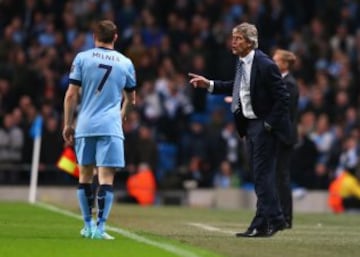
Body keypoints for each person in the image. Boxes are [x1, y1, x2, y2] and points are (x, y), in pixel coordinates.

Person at [189, 22, 290, 237]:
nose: (233, 42)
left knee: (262, 177)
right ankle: (261, 225)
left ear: (251, 42)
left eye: (238, 39)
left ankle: (276, 218)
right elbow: (236, 86)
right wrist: (209, 84)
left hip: (263, 126)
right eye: (233, 38)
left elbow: (283, 98)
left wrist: (268, 124)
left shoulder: (265, 64)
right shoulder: (242, 62)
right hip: (250, 125)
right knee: (258, 176)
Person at [62, 20, 136, 240]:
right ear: (115, 37)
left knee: (84, 176)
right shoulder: (125, 62)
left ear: (94, 37)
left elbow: (71, 94)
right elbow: (131, 98)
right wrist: (122, 115)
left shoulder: (82, 58)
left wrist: (67, 123)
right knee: (106, 179)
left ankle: (86, 225)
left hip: (85, 125)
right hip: (110, 126)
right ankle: (101, 228)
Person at [272, 49, 299, 229]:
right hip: (276, 135)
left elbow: (283, 111)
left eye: (276, 60)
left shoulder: (289, 84)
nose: (273, 63)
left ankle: (286, 217)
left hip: (283, 136)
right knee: (276, 176)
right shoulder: (281, 82)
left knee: (281, 177)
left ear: (285, 64)